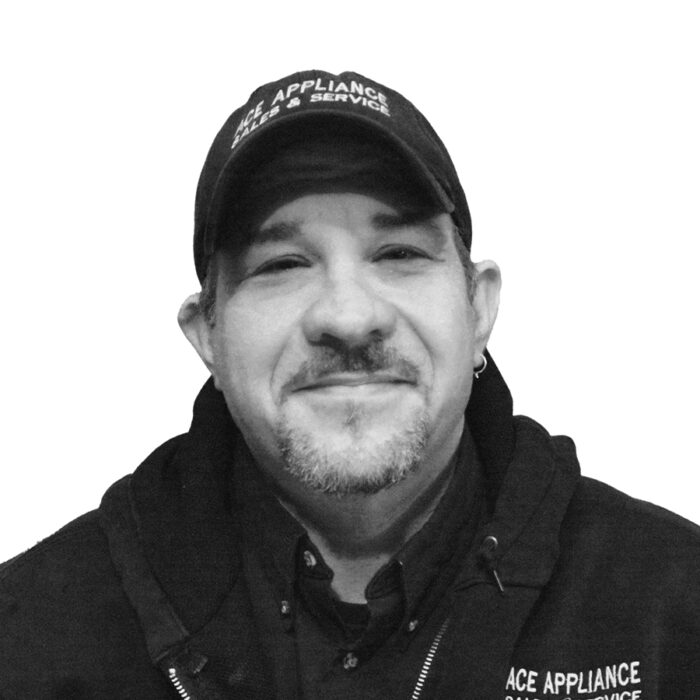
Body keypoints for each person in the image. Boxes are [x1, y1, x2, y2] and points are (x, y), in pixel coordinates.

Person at [0, 69, 698, 700]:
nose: (348, 316)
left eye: (398, 253)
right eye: (281, 264)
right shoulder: (30, 636)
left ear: (479, 309)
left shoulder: (672, 606)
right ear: (207, 334)